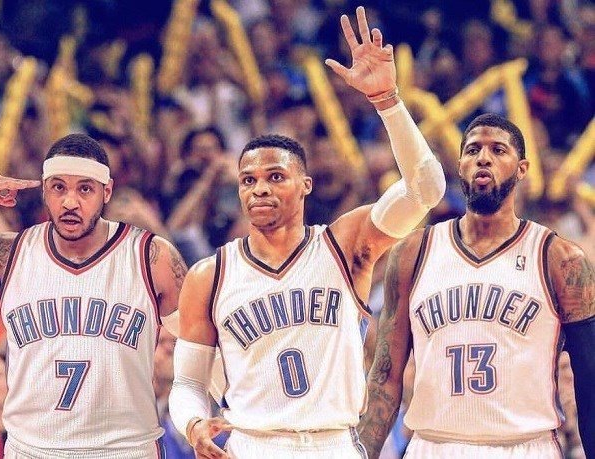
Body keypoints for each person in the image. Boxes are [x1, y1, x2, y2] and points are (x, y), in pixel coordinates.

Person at [168, 6, 446, 458]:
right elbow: (187, 383)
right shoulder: (210, 275)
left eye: (275, 176)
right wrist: (193, 423)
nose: (260, 188)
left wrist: (388, 102)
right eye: (248, 180)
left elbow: (426, 189)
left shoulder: (343, 245)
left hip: (333, 442)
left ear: (305, 185)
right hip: (252, 445)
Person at [0, 133, 187, 457]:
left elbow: (201, 344)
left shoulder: (151, 257)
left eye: (85, 189)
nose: (70, 202)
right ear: (44, 189)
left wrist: (208, 416)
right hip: (33, 450)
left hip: (125, 450)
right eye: (59, 187)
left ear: (107, 191)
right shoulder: (5, 254)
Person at [357, 113, 595, 458]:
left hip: (525, 446)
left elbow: (589, 380)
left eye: (498, 150)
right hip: (433, 445)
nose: (483, 158)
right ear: (459, 166)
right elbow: (385, 379)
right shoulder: (412, 252)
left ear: (522, 169)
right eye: (473, 150)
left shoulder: (559, 258)